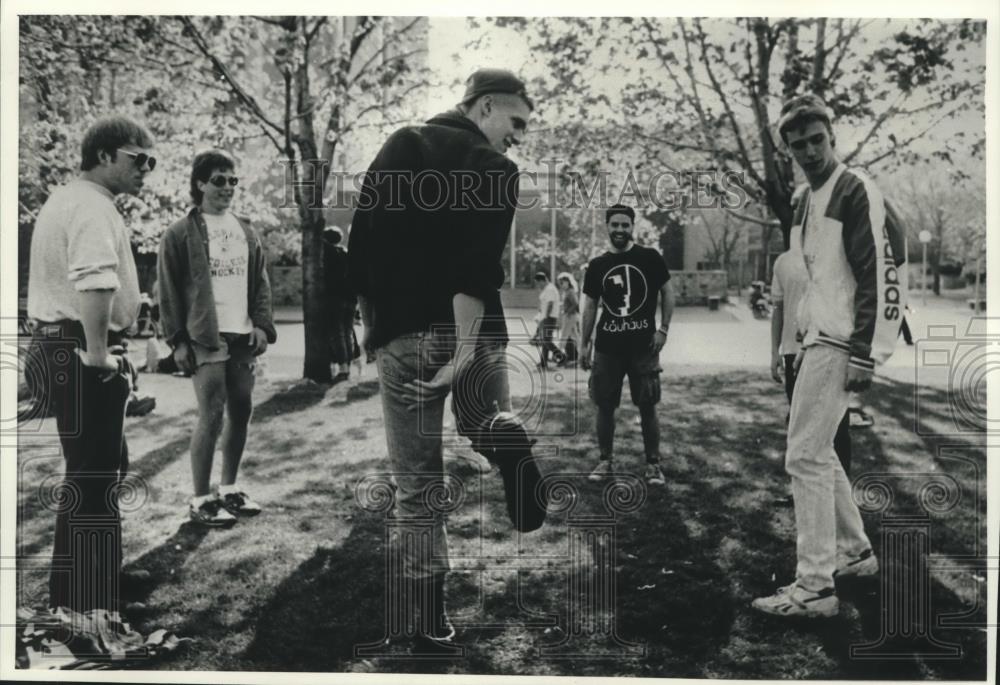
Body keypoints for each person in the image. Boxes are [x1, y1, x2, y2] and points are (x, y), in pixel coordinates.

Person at [347, 68, 531, 652]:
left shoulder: (399, 144)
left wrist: (371, 327)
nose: (519, 137)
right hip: (475, 329)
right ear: (483, 108)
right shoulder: (496, 171)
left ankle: (429, 619)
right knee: (481, 423)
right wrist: (469, 349)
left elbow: (361, 243)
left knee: (417, 483)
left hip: (406, 335)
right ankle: (505, 440)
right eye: (516, 121)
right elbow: (473, 268)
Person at [752, 94, 906, 618]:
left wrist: (867, 351)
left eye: (817, 140)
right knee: (821, 451)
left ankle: (815, 586)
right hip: (816, 338)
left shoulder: (855, 188)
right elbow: (805, 274)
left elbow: (883, 269)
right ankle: (856, 553)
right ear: (788, 151)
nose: (810, 151)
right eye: (799, 146)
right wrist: (791, 338)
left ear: (832, 136)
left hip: (842, 342)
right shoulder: (802, 199)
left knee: (803, 455)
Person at [27, 115, 154, 617]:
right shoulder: (90, 205)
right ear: (104, 156)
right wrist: (100, 353)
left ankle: (101, 577)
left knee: (104, 468)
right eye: (137, 158)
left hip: (66, 345)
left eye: (152, 161)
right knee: (92, 477)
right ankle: (82, 601)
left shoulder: (76, 199)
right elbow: (95, 281)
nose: (147, 169)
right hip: (78, 348)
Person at [158, 150, 276, 528]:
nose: (227, 187)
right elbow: (169, 290)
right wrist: (177, 340)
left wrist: (260, 323)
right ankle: (200, 498)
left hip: (243, 334)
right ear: (200, 184)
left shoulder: (245, 229)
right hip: (204, 334)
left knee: (241, 409)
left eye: (232, 180)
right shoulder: (179, 233)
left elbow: (260, 281)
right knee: (210, 413)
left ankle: (229, 489)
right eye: (219, 180)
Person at [580, 204, 674, 487]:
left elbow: (668, 293)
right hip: (607, 347)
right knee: (605, 406)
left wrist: (664, 329)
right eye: (615, 225)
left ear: (633, 227)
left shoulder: (649, 257)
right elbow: (590, 307)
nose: (620, 230)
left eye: (625, 225)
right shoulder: (597, 265)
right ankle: (605, 461)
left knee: (648, 406)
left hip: (643, 347)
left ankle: (653, 465)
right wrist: (584, 344)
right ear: (607, 227)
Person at [770, 247, 851, 478]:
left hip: (827, 351)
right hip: (792, 352)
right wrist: (774, 352)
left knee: (836, 427)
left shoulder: (833, 257)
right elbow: (778, 309)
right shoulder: (783, 261)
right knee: (800, 427)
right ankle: (805, 485)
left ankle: (838, 488)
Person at [322, 226, 359, 382]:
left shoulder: (330, 253)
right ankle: (347, 367)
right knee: (347, 332)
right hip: (350, 298)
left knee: (337, 333)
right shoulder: (347, 254)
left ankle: (343, 369)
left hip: (335, 297)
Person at [533, 271, 564, 369]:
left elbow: (550, 304)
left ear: (542, 281)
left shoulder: (550, 289)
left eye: (538, 283)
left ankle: (562, 357)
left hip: (549, 318)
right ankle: (543, 362)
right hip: (546, 317)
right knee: (545, 340)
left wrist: (545, 316)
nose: (538, 286)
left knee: (546, 340)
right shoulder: (547, 289)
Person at [557, 271, 581, 365]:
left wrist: (568, 312)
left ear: (568, 282)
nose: (561, 285)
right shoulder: (567, 291)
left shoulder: (570, 291)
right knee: (576, 337)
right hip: (570, 316)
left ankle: (559, 356)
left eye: (562, 283)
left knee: (564, 336)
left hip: (570, 316)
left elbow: (575, 303)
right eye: (560, 283)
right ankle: (583, 355)